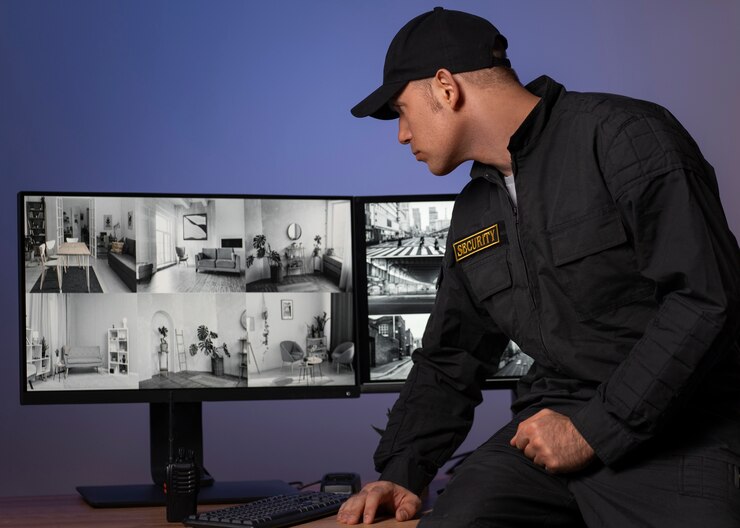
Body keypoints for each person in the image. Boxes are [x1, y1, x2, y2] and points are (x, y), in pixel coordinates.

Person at [341, 7, 740, 527]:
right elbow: (452, 355)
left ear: (445, 87)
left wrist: (593, 429)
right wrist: (402, 471)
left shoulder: (624, 137)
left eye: (401, 109)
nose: (400, 134)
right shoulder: (473, 214)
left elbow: (706, 299)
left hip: (683, 431)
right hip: (545, 439)